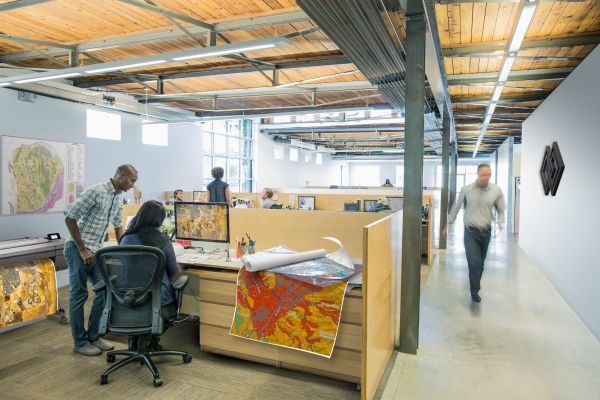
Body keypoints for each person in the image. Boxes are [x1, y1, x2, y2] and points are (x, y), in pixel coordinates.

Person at [64, 164, 138, 356]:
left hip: (95, 252)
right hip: (77, 249)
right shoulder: (96, 191)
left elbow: (118, 226)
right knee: (79, 295)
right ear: (121, 175)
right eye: (132, 180)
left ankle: (94, 336)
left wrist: (125, 250)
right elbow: (70, 218)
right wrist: (82, 249)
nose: (133, 185)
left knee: (105, 291)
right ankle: (80, 342)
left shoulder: (117, 197)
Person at [445, 163, 506, 303]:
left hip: (486, 232)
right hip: (470, 232)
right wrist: (447, 224)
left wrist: (500, 222)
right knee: (474, 263)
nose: (485, 177)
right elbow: (456, 207)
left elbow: (501, 210)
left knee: (480, 265)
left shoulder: (496, 190)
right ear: (477, 174)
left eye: (488, 175)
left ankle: (475, 286)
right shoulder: (466, 190)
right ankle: (475, 291)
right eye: (483, 175)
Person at [119, 200, 180, 317]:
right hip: (159, 300)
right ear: (159, 221)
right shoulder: (163, 240)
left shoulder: (125, 239)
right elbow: (174, 271)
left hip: (129, 298)